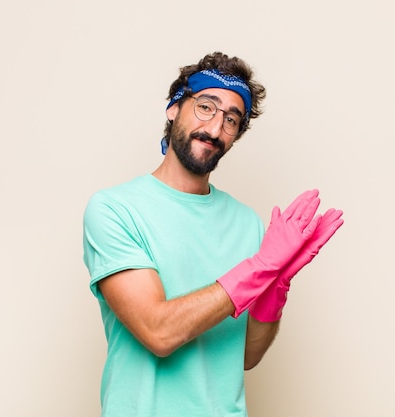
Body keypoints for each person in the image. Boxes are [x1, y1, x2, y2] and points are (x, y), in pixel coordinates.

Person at [82, 51, 344, 417]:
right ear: (174, 107)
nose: (215, 128)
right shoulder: (114, 210)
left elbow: (248, 356)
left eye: (232, 119)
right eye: (206, 106)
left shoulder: (247, 223)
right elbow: (158, 333)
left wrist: (277, 285)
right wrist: (261, 267)